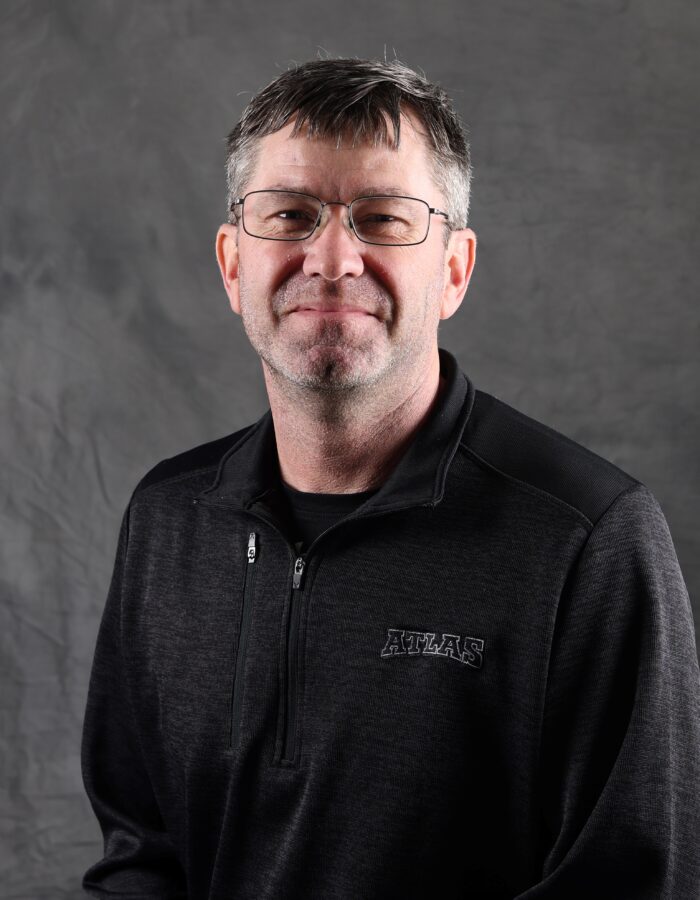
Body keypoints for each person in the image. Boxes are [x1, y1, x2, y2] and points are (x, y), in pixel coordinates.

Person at [80, 57, 700, 899]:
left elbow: (630, 882)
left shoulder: (590, 540)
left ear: (454, 269)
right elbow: (140, 858)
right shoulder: (168, 520)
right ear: (232, 264)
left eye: (382, 219)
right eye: (289, 215)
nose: (332, 259)